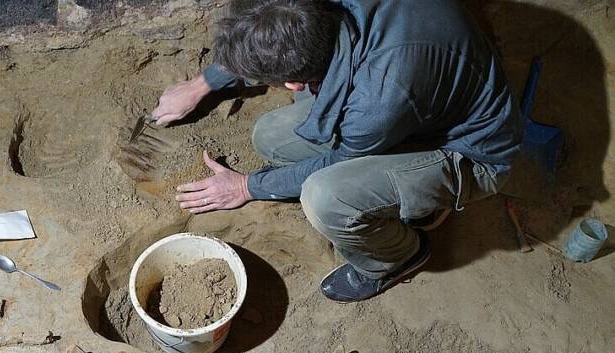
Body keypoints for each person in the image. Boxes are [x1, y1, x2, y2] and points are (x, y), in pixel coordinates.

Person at [151, 0, 522, 303]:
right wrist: (201, 85)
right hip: (430, 91)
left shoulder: (376, 103)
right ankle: (406, 191)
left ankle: (397, 258)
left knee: (326, 197)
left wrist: (246, 186)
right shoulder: (317, 12)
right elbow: (263, 22)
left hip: (471, 152)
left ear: (293, 83)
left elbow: (339, 160)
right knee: (271, 137)